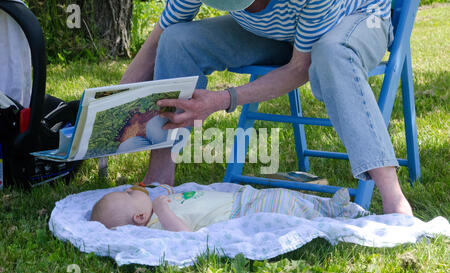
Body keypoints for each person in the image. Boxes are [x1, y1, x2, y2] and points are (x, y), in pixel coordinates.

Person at [120, 0, 413, 215]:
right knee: (176, 40)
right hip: (282, 33)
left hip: (355, 19)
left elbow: (299, 68)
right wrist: (113, 112)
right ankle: (159, 178)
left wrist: (223, 99)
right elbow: (154, 45)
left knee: (331, 52)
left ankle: (392, 196)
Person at [90, 184, 368, 231]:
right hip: (242, 214)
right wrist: (162, 210)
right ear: (140, 216)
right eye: (129, 193)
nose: (134, 190)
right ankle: (336, 220)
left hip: (242, 199)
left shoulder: (158, 202)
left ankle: (330, 208)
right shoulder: (158, 222)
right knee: (287, 207)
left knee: (287, 196)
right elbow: (185, 237)